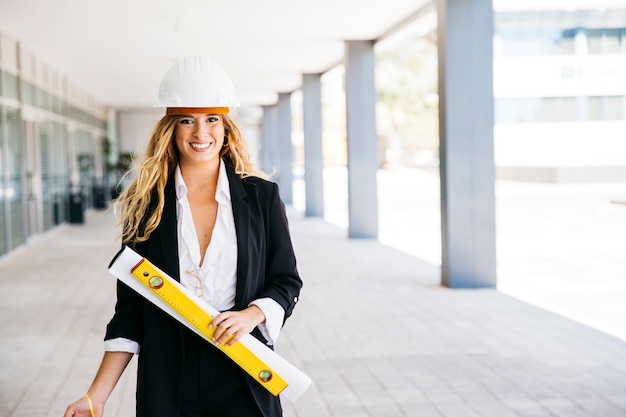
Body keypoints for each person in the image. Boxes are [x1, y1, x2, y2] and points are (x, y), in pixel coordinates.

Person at [63, 56, 303, 417]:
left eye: (212, 119)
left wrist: (252, 315)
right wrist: (96, 396)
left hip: (244, 374)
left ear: (226, 127)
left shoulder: (261, 198)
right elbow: (131, 310)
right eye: (187, 120)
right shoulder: (148, 204)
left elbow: (286, 281)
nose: (200, 133)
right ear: (170, 128)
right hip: (169, 379)